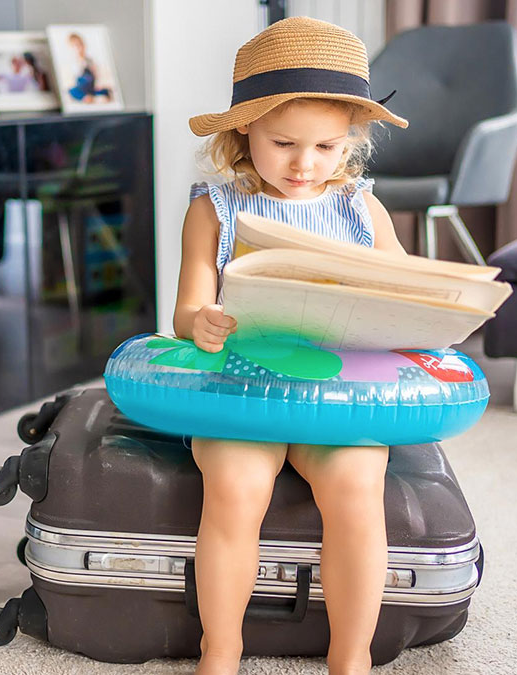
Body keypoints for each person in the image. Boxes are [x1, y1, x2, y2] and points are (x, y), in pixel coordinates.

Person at [176, 17, 411, 675]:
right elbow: (186, 306)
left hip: (335, 395)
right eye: (283, 142)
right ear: (243, 128)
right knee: (233, 486)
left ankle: (351, 656)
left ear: (351, 141)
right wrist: (203, 320)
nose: (305, 165)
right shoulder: (214, 209)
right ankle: (219, 650)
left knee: (359, 488)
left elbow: (402, 290)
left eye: (327, 147)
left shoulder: (363, 210)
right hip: (241, 389)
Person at [66, 33, 113, 102]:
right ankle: (88, 98)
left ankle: (94, 96)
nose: (79, 47)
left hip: (91, 86)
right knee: (72, 91)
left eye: (80, 44)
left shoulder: (90, 60)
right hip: (81, 87)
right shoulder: (74, 61)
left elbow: (95, 74)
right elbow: (76, 75)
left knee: (105, 91)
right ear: (71, 48)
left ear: (84, 45)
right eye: (76, 46)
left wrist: (98, 84)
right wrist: (81, 61)